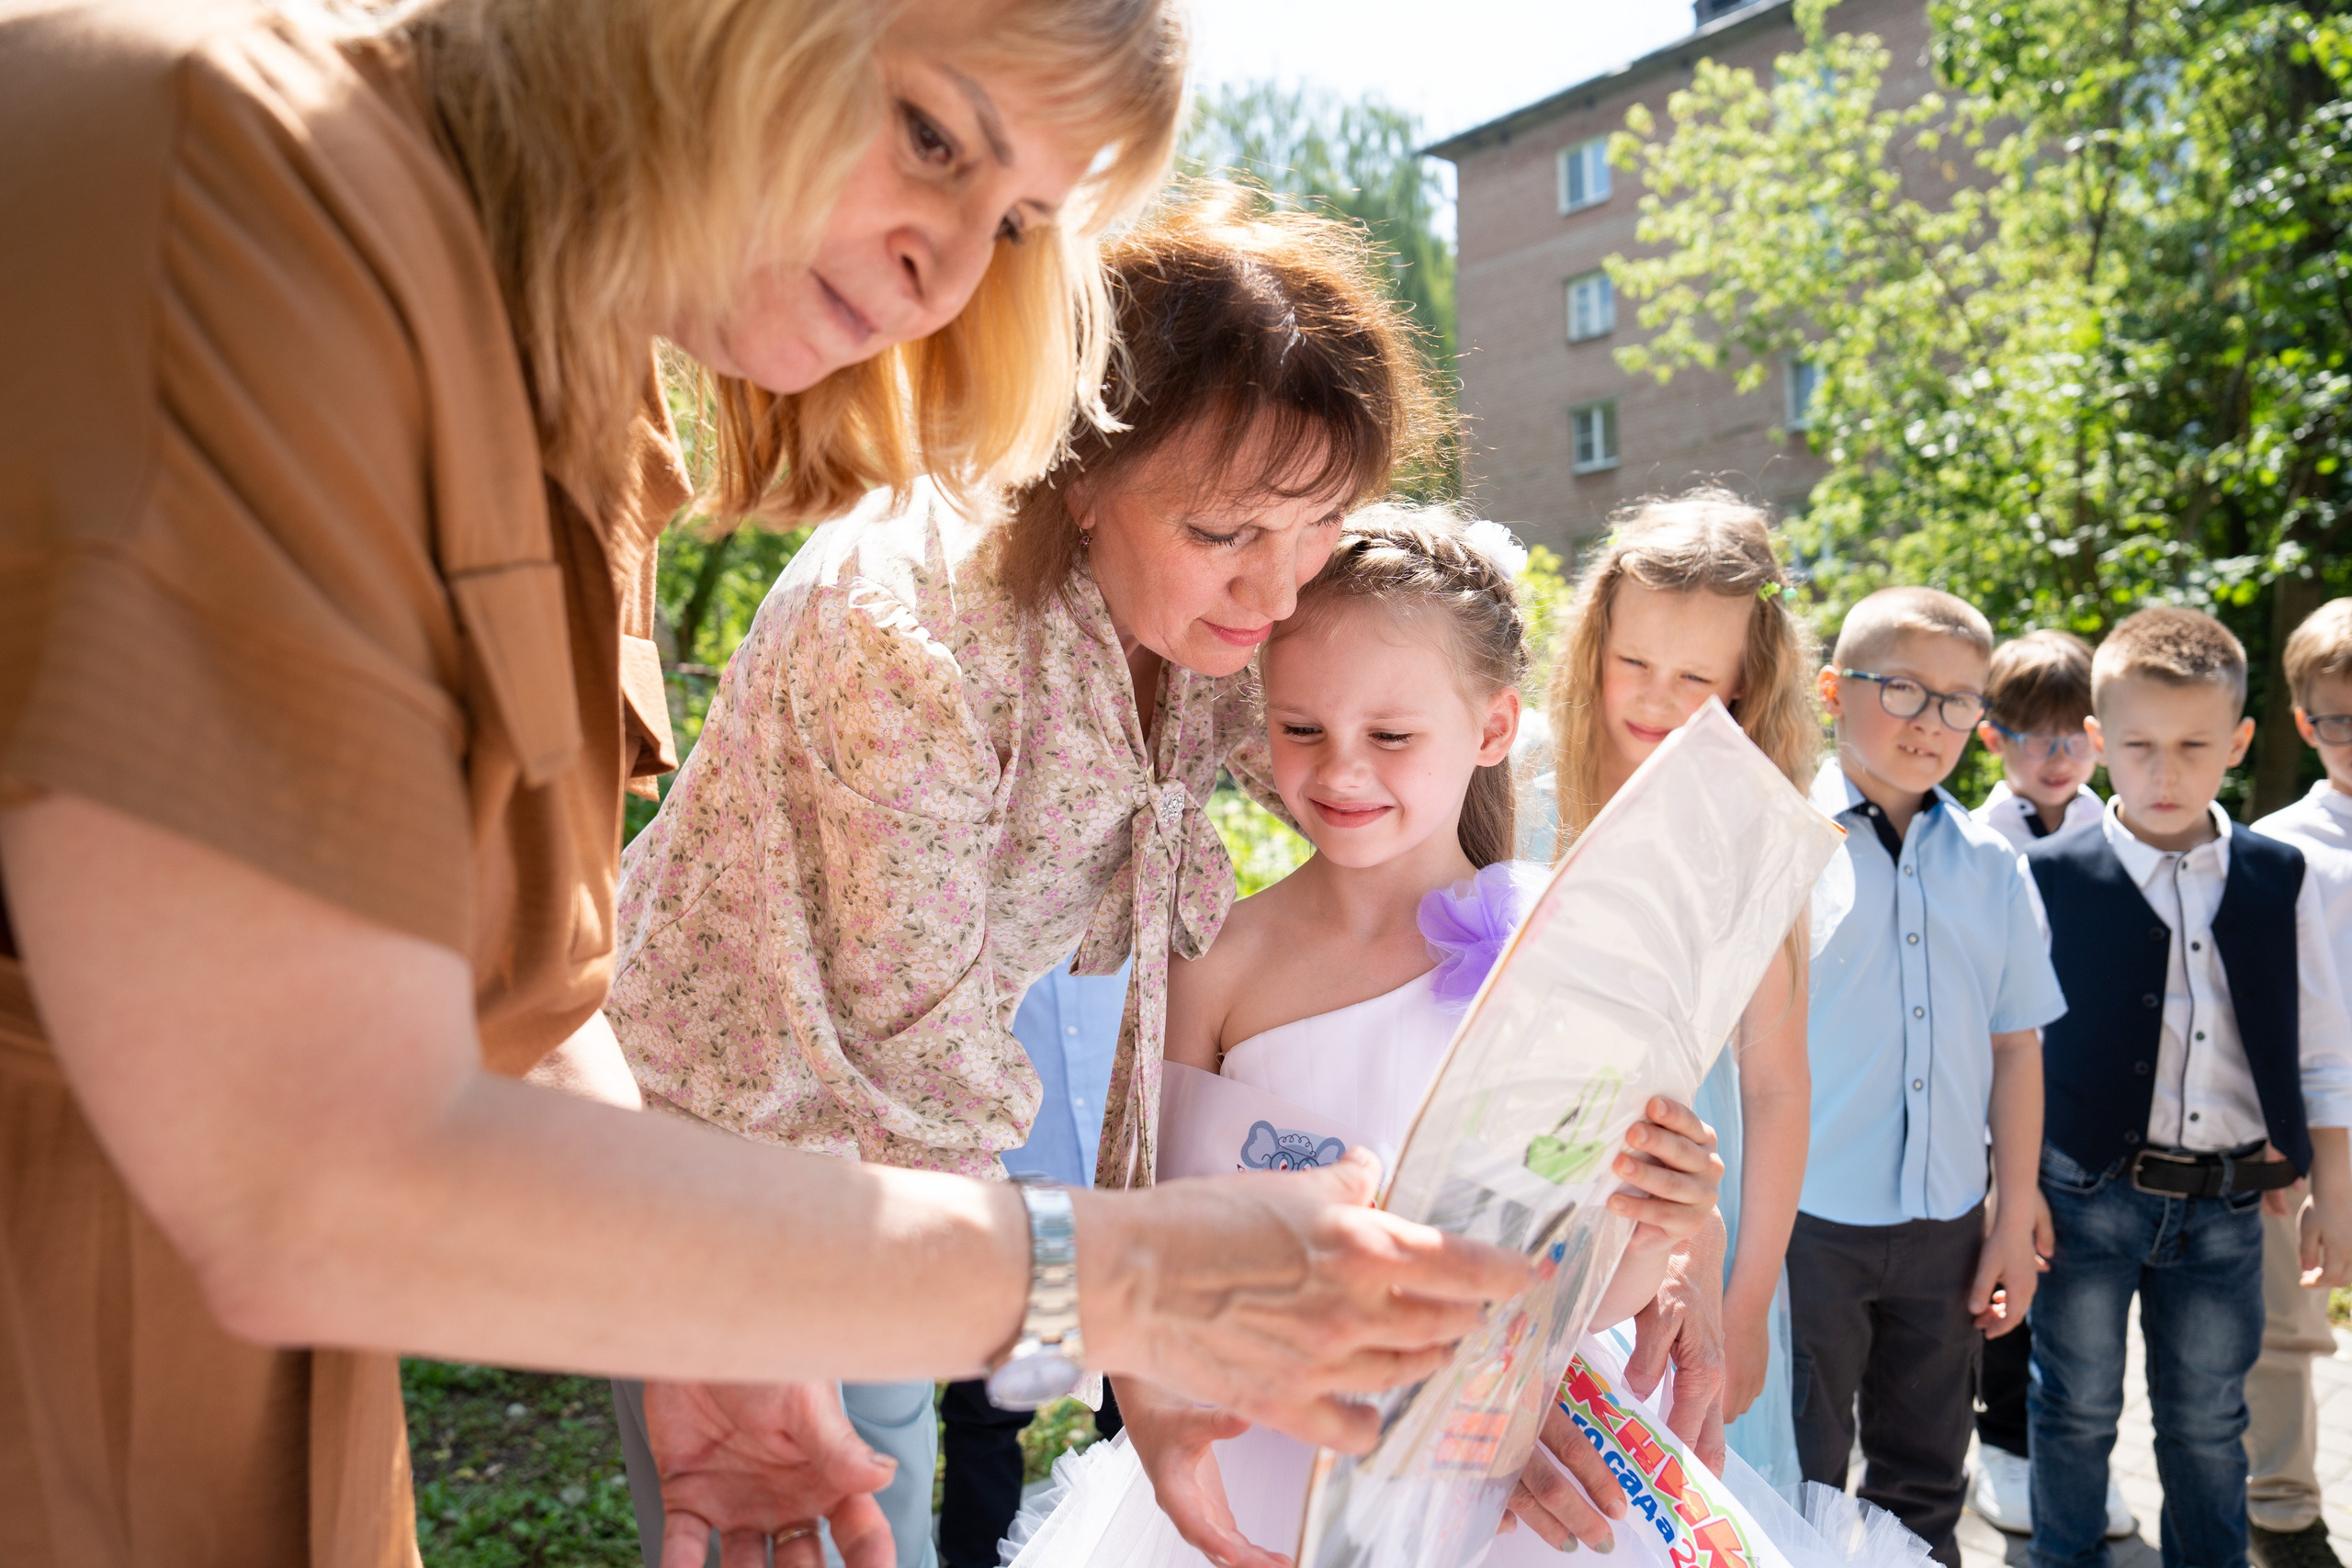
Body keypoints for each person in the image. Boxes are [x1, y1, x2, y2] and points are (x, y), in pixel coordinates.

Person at [0, 7, 1536, 1567]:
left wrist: (694, 1327)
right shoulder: (243, 180)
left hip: (286, 1406)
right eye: (932, 134)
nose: (949, 266)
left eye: (1014, 221)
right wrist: (1128, 1283)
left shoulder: (572, 396)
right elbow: (305, 1164)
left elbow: (502, 996)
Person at [600, 188, 1471, 1565]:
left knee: (883, 1489)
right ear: (1081, 465)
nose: (1278, 593)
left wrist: (1579, 1050)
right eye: (1226, 532)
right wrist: (1149, 1327)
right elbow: (920, 1072)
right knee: (811, 1519)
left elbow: (1399, 741)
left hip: (890, 1171)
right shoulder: (905, 637)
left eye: (1316, 528)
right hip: (732, 1158)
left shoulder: (1206, 615)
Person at [1001, 504, 1728, 1568]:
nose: (1340, 773)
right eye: (1302, 730)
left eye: (1390, 736)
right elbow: (1159, 1241)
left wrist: (1661, 1228)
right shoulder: (1214, 959)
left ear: (1489, 728)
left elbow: (1580, 1295)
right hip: (1275, 1454)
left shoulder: (1567, 957)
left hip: (1505, 1469)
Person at [2025, 607, 2352, 1568]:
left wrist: (2330, 1190)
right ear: (2096, 744)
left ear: (2240, 742)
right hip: (2081, 1198)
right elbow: (2008, 1050)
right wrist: (2011, 1192)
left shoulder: (2282, 878)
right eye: (2136, 747)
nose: (2162, 774)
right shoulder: (2043, 878)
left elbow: (2322, 1050)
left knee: (2209, 1422)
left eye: (2192, 747)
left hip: (2223, 1208)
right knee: (2074, 1407)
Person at [1543, 488, 1822, 1495]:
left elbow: (1777, 1089)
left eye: (1695, 678)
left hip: (1673, 1234)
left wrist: (1746, 1304)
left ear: (1747, 686)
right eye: (1633, 664)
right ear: (1594, 647)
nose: (1654, 699)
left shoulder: (1754, 842)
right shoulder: (1521, 789)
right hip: (1513, 1214)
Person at [1797, 588, 2066, 1568]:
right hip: (1803, 1226)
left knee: (1923, 1479)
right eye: (1904, 690)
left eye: (1960, 701)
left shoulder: (1993, 865)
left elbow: (2013, 1046)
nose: (1933, 723)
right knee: (1799, 1474)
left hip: (1947, 1224)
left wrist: (2010, 1215)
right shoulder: (1781, 841)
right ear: (1833, 690)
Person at [1963, 629, 2135, 1542]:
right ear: (1991, 737)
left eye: (2073, 732)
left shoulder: (2124, 837)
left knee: (2088, 1299)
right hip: (2000, 1106)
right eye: (2032, 734)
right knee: (2004, 1274)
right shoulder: (1973, 847)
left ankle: (2079, 1457)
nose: (2056, 754)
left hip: (2095, 1112)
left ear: (2099, 736)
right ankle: (2003, 1447)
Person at [938, 955, 1132, 1568]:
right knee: (987, 1419)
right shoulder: (983, 934)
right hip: (1011, 1213)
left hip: (1123, 1212)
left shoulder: (1141, 925)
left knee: (1131, 1420)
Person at [2247, 596, 2352, 1568]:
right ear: (2302, 721)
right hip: (2316, 1139)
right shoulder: (2280, 850)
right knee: (2290, 1332)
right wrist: (2294, 1160)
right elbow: (2267, 1024)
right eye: (2337, 721)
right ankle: (2281, 1514)